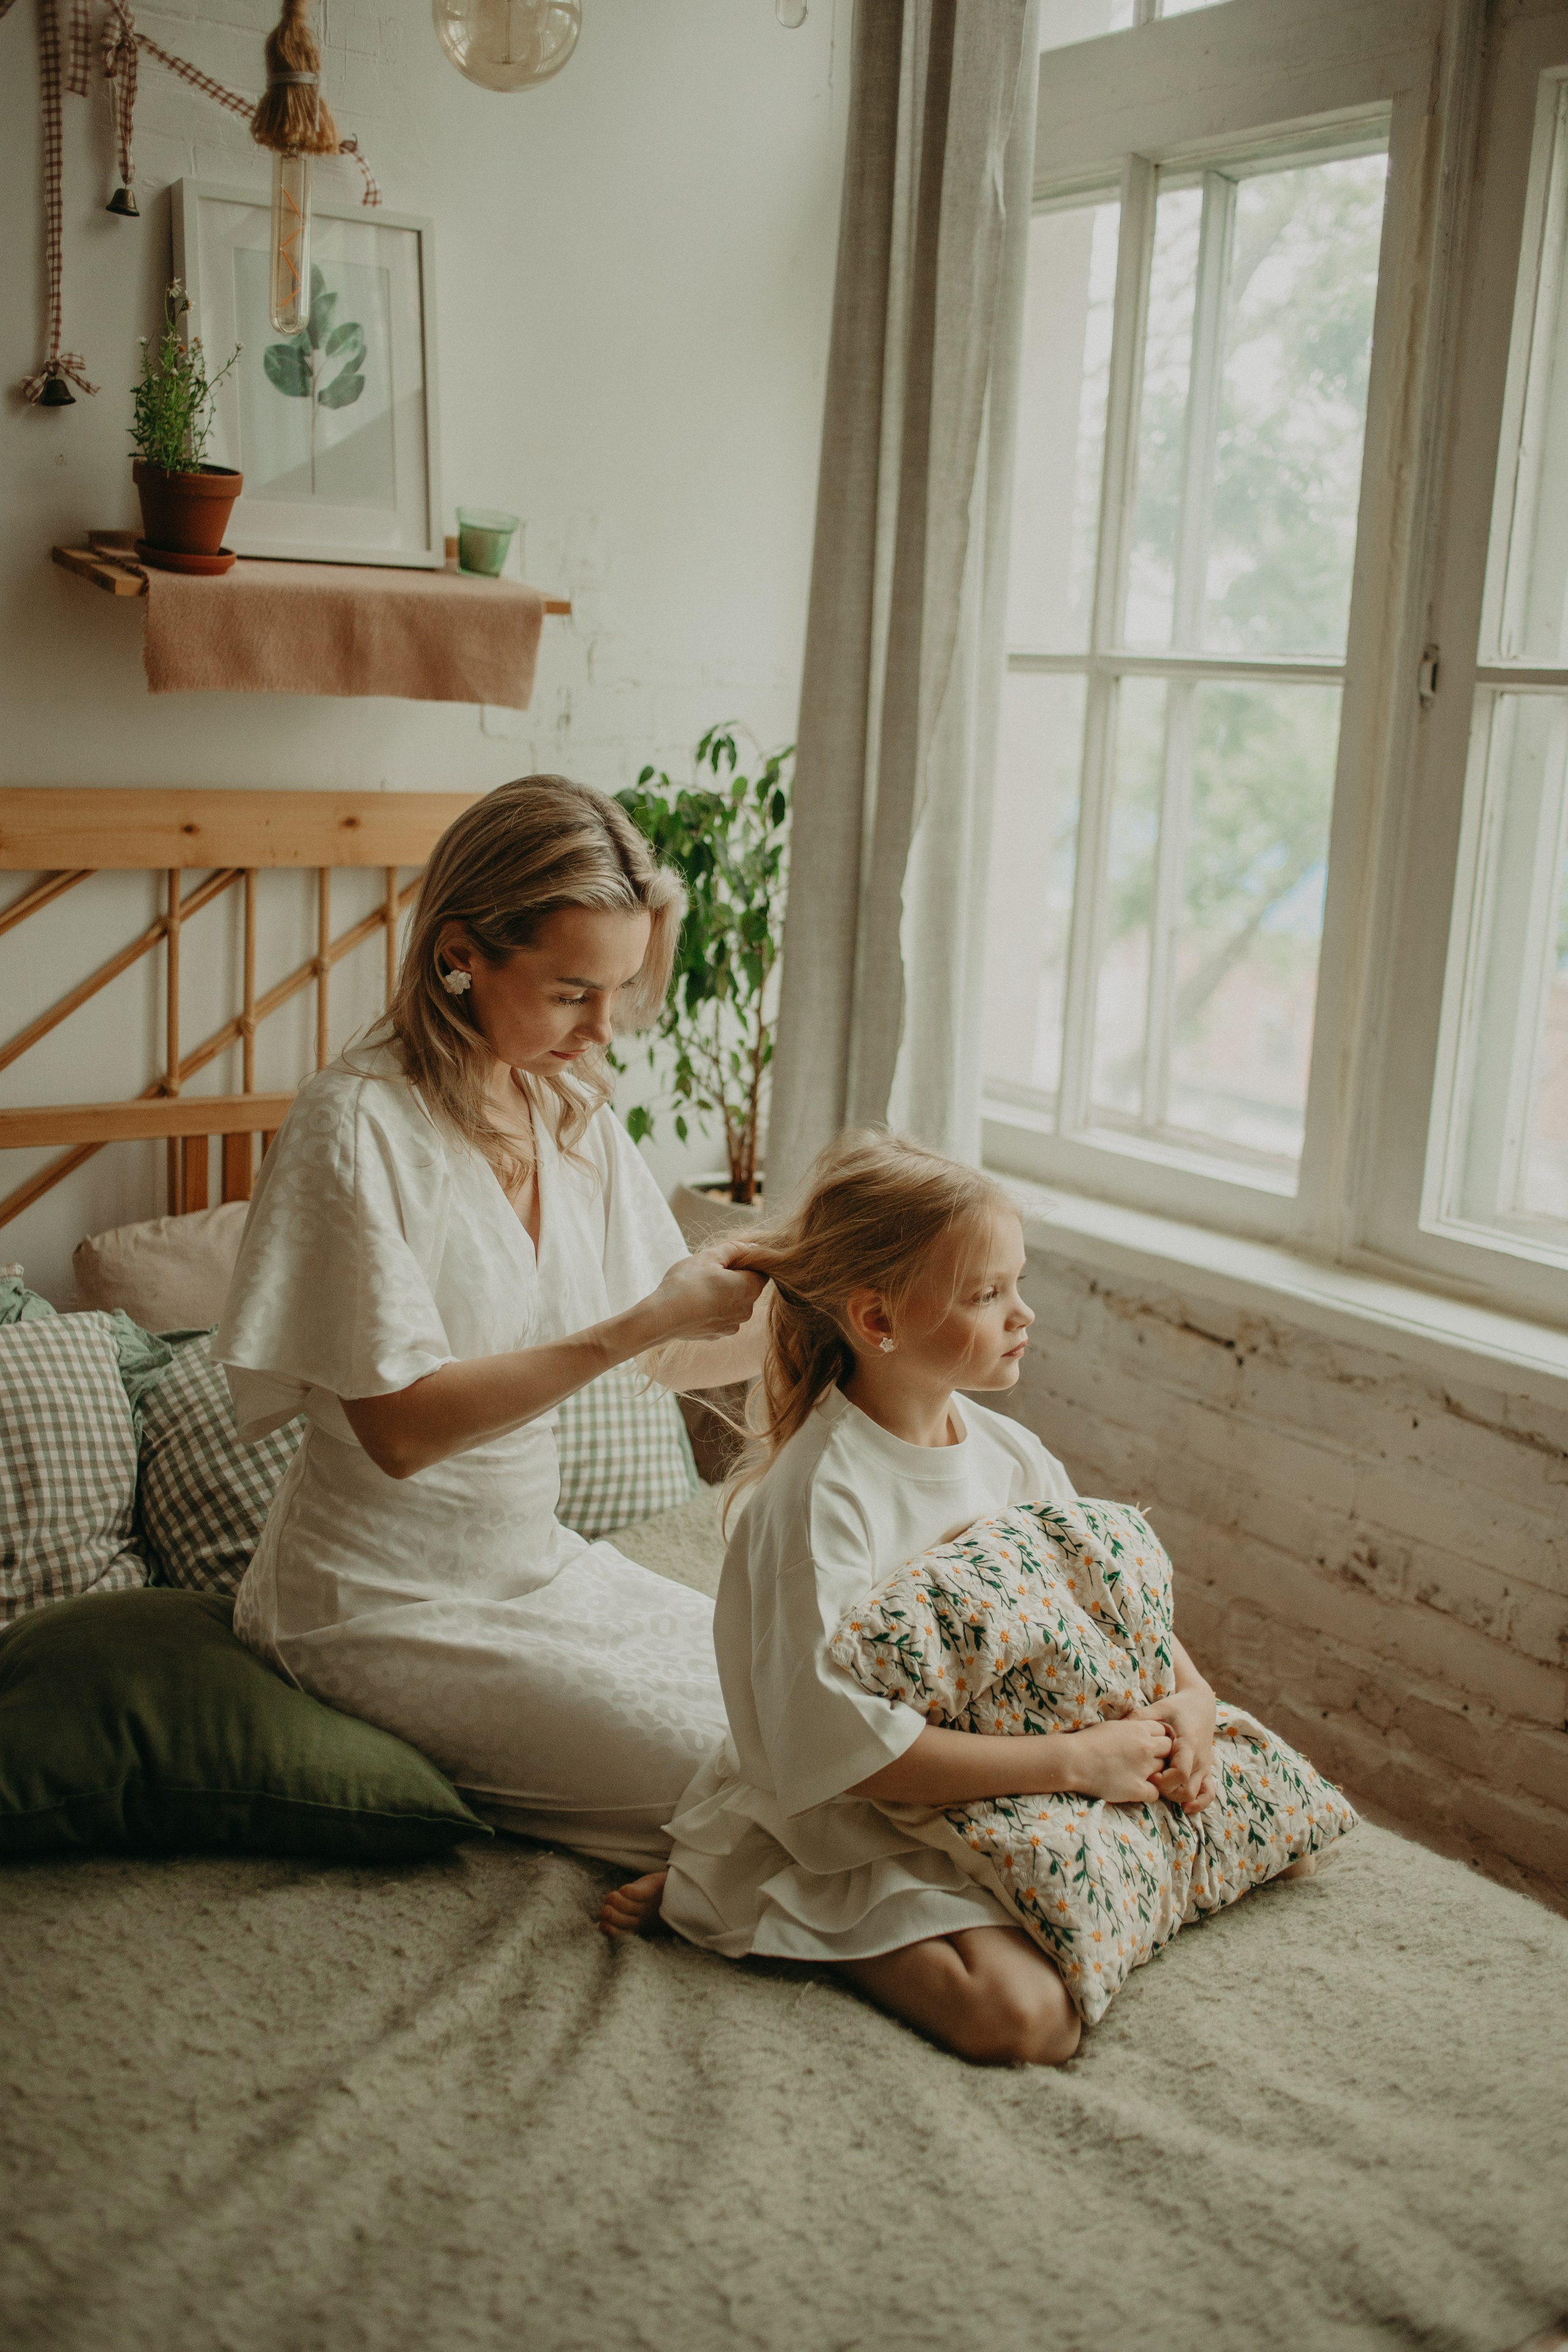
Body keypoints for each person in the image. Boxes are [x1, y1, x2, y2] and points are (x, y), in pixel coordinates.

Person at [215, 777, 766, 1869]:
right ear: (459, 954)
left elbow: (679, 1344)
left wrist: (830, 1293)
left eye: (615, 992)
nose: (604, 1030)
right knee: (736, 1770)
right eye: (571, 993)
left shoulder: (566, 1106)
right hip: (375, 1607)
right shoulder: (356, 1125)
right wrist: (636, 1321)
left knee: (805, 1710)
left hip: (539, 1567)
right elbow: (403, 1432)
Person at [599, 1134, 1226, 2065]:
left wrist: (1195, 1699)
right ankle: (750, 1890)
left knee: (1253, 1824)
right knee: (1027, 2021)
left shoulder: (1010, 1454)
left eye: (1017, 1283)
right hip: (862, 1799)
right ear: (877, 1320)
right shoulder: (821, 1501)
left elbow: (1105, 1599)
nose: (1024, 1313)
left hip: (1010, 1766)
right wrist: (1079, 1764)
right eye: (988, 1294)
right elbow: (838, 1749)